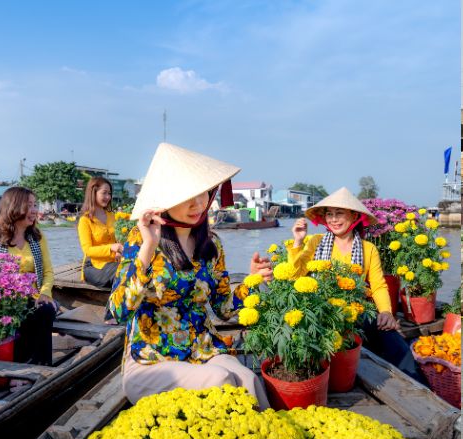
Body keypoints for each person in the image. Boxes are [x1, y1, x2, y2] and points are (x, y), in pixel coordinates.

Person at [109, 143, 272, 408]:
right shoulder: (140, 239)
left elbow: (224, 309)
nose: (198, 204)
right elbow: (117, 312)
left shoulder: (212, 244)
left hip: (202, 351)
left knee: (248, 380)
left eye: (204, 193)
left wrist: (251, 281)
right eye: (186, 196)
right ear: (165, 198)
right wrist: (148, 248)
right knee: (220, 380)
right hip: (151, 360)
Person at [287, 186, 426, 383]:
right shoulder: (315, 242)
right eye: (329, 214)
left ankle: (420, 386)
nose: (333, 219)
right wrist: (298, 242)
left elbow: (378, 285)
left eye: (339, 213)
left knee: (393, 338)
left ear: (354, 216)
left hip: (355, 312)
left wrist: (386, 312)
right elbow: (295, 275)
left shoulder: (368, 249)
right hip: (321, 311)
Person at [0, 186, 55, 366]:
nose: (35, 210)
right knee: (14, 318)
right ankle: (18, 369)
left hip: (33, 298)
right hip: (2, 301)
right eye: (29, 205)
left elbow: (48, 272)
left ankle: (42, 366)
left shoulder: (37, 236)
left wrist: (45, 293)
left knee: (46, 310)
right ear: (13, 207)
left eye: (35, 205)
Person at [77, 177, 123, 288]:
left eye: (109, 193)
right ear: (94, 193)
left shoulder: (112, 216)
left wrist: (119, 251)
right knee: (125, 272)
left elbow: (119, 239)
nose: (108, 197)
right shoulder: (85, 220)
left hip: (115, 262)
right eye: (104, 193)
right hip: (94, 266)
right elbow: (88, 250)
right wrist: (111, 248)